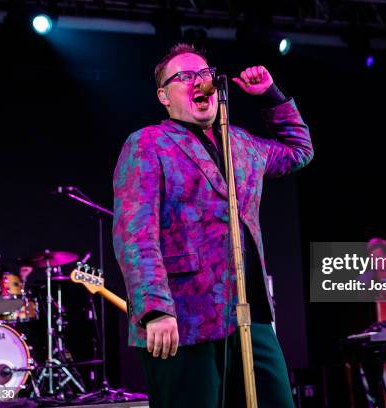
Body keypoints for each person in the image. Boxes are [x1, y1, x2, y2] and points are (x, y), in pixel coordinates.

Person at [112, 43, 313, 407]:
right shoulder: (149, 143)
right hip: (184, 319)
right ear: (164, 96)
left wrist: (271, 96)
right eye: (184, 76)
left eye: (204, 74)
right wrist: (155, 309)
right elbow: (134, 232)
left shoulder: (242, 144)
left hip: (250, 316)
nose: (198, 82)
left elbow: (299, 150)